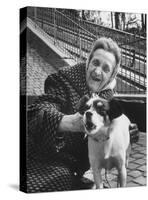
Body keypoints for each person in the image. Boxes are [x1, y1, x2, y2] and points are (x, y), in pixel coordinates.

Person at [25, 37, 139, 193]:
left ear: (112, 76)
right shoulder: (62, 81)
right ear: (88, 63)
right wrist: (70, 122)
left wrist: (127, 132)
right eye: (95, 63)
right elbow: (38, 112)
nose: (98, 71)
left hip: (74, 169)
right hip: (41, 161)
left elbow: (112, 133)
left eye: (106, 69)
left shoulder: (108, 101)